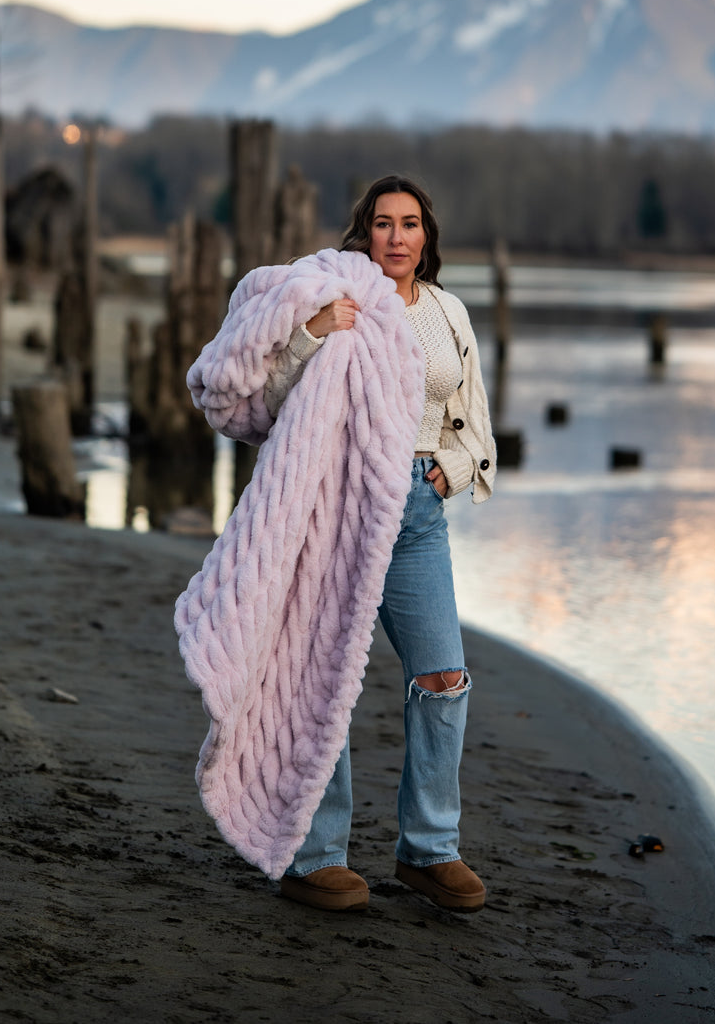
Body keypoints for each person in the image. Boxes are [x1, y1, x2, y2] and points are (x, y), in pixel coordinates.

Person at [265, 174, 497, 914]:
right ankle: (314, 856)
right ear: (365, 231)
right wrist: (312, 333)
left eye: (411, 223)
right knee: (328, 677)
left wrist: (447, 473)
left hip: (418, 514)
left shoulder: (448, 311)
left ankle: (428, 850)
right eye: (384, 223)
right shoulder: (337, 298)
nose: (398, 236)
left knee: (443, 677)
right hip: (342, 505)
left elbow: (475, 421)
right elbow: (267, 396)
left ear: (427, 235)